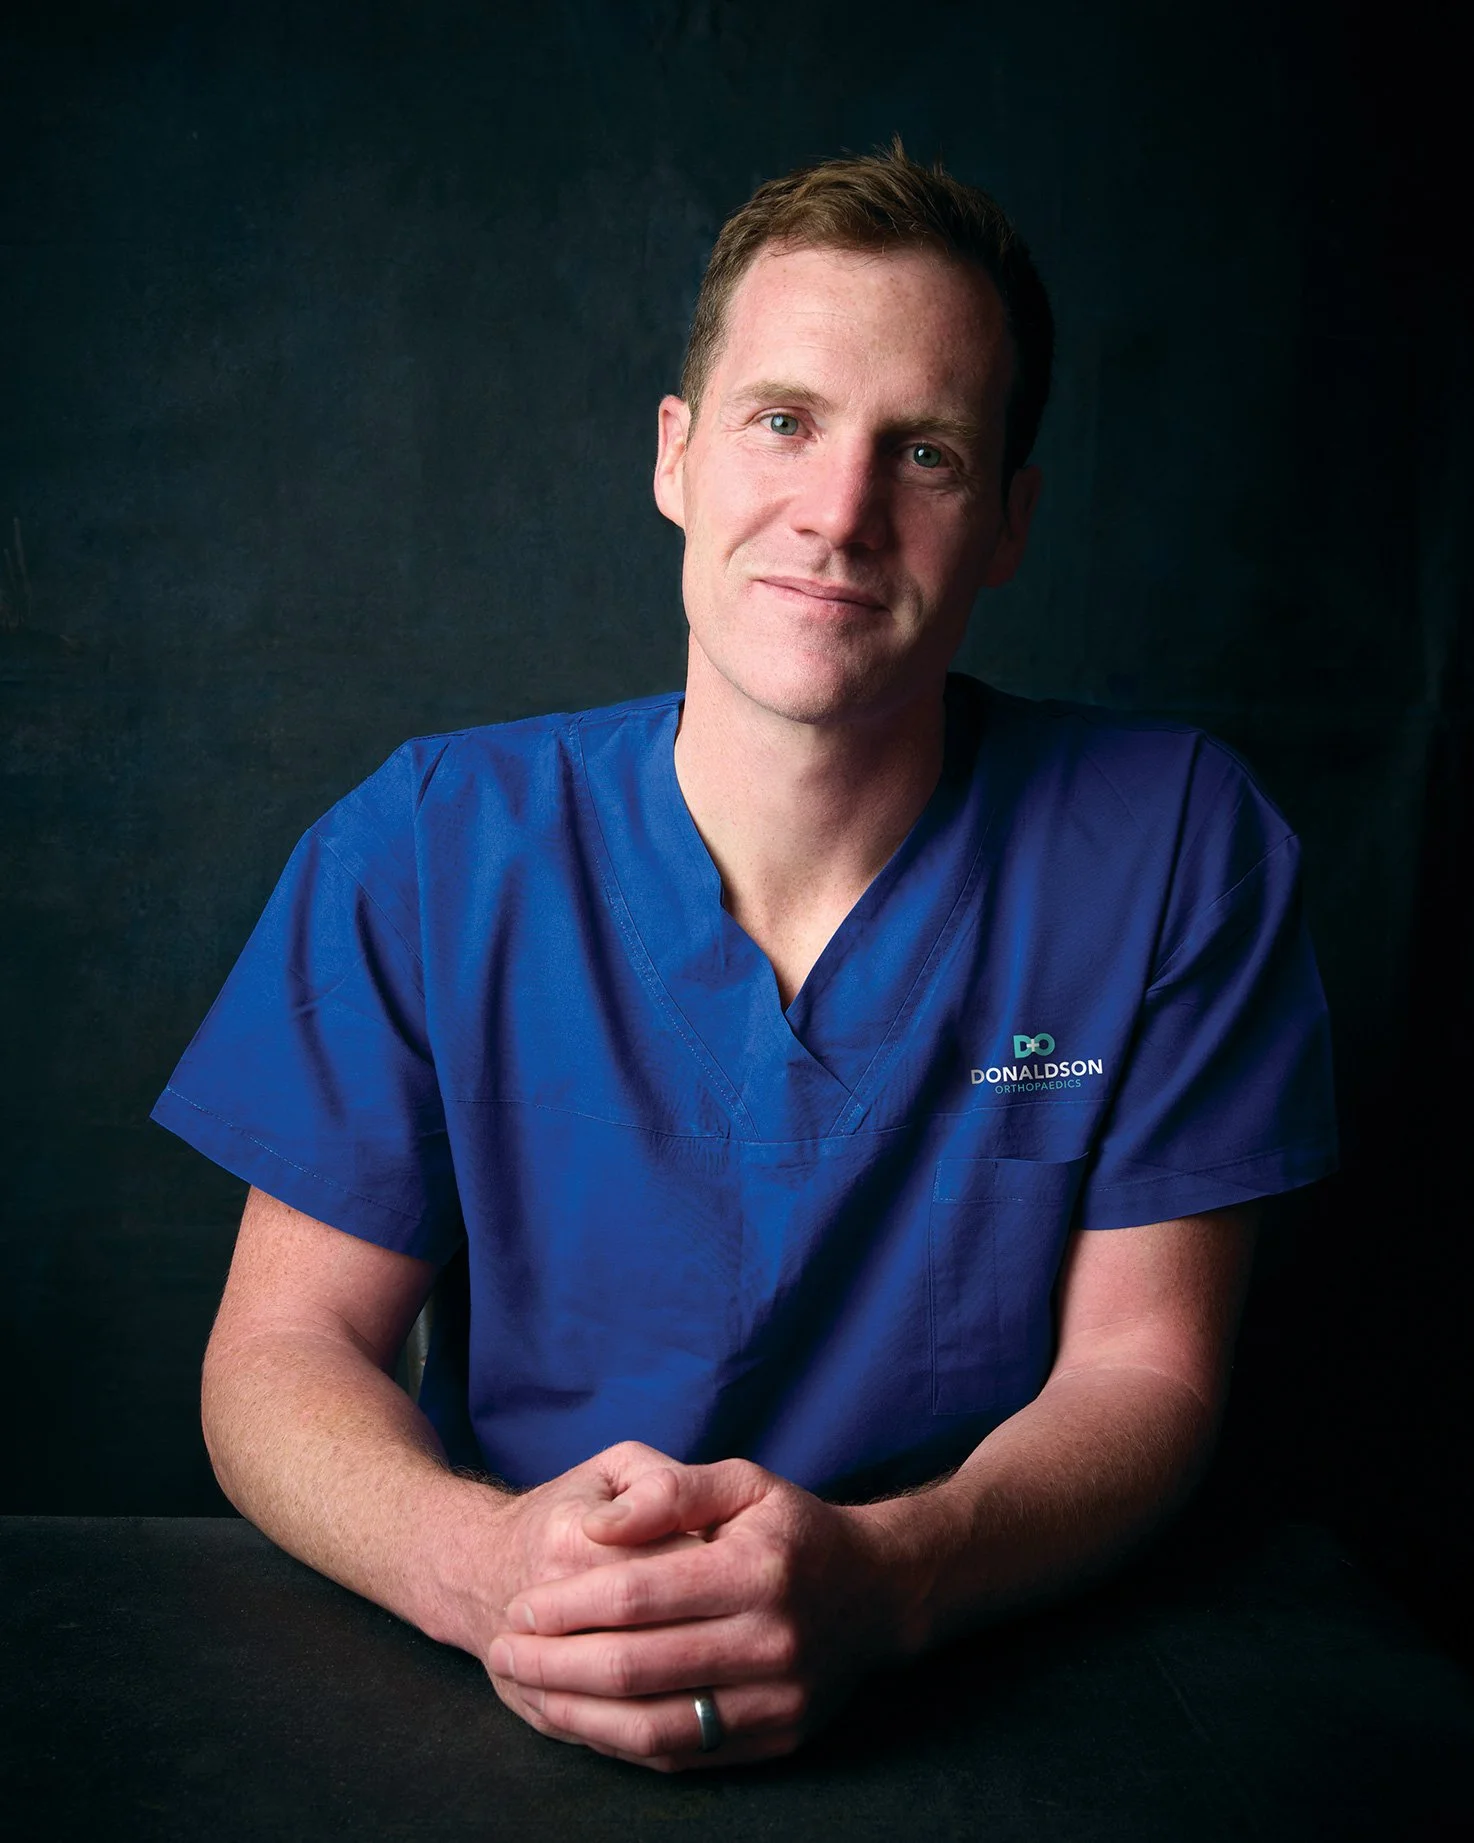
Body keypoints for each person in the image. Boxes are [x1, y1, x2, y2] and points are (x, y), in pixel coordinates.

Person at [152, 142, 1337, 1772]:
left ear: (1006, 520)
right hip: (505, 1687)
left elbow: (1146, 1371)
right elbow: (280, 1353)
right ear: (676, 454)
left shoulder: (1172, 844)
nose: (838, 512)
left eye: (923, 451)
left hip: (1000, 1695)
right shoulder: (428, 843)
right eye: (783, 420)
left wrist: (893, 1576)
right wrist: (482, 1568)